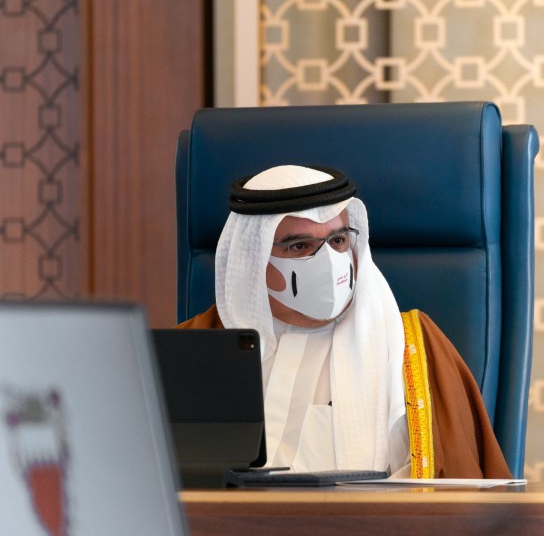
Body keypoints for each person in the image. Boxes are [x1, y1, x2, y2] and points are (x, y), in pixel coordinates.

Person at [176, 164, 512, 479]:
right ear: (254, 258)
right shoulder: (194, 349)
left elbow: (460, 494)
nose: (328, 260)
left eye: (338, 241)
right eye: (300, 246)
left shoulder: (413, 349)